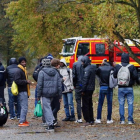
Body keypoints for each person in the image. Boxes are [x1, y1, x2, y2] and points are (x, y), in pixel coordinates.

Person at [37, 58, 62, 132]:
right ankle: (52, 120)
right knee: (49, 108)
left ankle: (50, 125)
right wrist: (60, 96)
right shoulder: (56, 72)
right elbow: (59, 85)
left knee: (47, 108)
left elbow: (40, 85)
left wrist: (38, 95)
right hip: (54, 93)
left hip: (45, 93)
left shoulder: (41, 72)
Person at [113, 53, 138, 124]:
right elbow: (135, 76)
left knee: (121, 103)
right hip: (129, 87)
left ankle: (122, 120)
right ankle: (130, 120)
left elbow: (114, 76)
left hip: (121, 88)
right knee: (130, 103)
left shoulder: (118, 66)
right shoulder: (131, 67)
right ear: (128, 58)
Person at [95, 59, 114, 124]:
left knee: (100, 103)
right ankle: (109, 119)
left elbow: (96, 73)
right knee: (109, 103)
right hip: (109, 87)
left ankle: (98, 118)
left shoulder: (100, 68)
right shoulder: (111, 68)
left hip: (102, 87)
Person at [14, 57, 31, 127]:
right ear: (20, 63)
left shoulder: (23, 70)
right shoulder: (19, 71)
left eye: (25, 62)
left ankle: (23, 119)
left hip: (24, 90)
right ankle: (21, 121)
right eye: (23, 62)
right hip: (22, 90)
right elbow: (17, 80)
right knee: (24, 106)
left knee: (25, 106)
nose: (24, 63)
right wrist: (26, 81)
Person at [81, 56, 96, 126]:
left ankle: (87, 119)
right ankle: (91, 119)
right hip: (91, 88)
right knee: (90, 104)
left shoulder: (86, 69)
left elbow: (85, 80)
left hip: (87, 89)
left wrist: (82, 90)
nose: (82, 63)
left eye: (82, 62)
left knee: (85, 105)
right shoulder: (92, 68)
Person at [51, 58, 63, 125]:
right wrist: (62, 80)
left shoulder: (49, 70)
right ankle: (52, 118)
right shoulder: (56, 72)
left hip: (49, 91)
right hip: (55, 92)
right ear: (57, 65)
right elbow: (58, 83)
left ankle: (54, 120)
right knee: (57, 107)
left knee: (53, 106)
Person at [72, 56, 84, 123]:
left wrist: (74, 84)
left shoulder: (75, 64)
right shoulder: (85, 64)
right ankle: (87, 117)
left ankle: (79, 118)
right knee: (85, 101)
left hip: (78, 85)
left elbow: (74, 76)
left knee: (78, 101)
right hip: (84, 85)